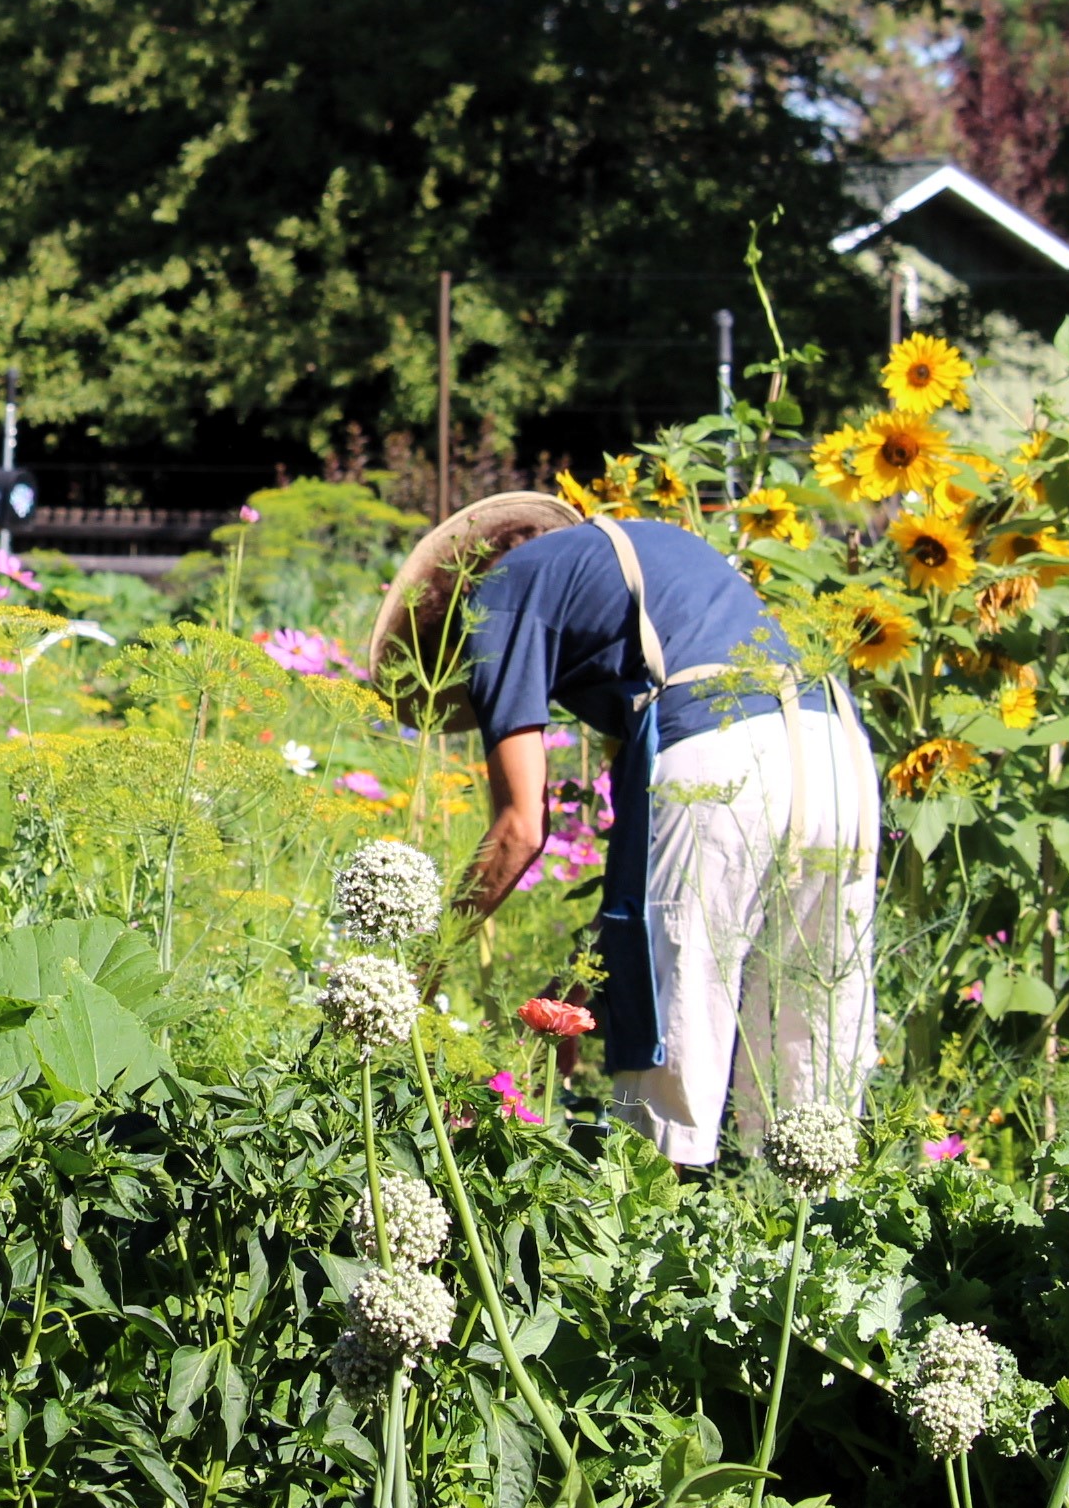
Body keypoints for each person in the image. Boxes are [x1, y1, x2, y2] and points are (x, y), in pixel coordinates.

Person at [368, 493, 879, 1164]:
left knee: (675, 1048)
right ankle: (808, 1239)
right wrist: (575, 992)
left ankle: (651, 1235)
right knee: (806, 1038)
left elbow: (521, 828)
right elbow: (643, 874)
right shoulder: (633, 567)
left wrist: (418, 973)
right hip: (837, 751)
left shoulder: (497, 597)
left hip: (719, 757)